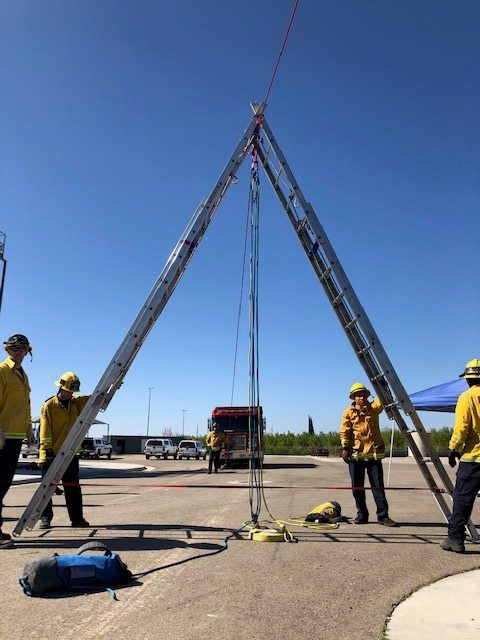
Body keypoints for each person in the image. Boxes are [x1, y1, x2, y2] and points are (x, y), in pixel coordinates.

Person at [340, 382, 399, 527]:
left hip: (373, 456)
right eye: (358, 395)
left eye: (364, 394)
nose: (362, 397)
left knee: (378, 487)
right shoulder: (348, 412)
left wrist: (383, 386)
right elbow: (344, 431)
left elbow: (383, 400)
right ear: (353, 397)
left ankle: (383, 516)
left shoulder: (373, 408)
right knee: (357, 488)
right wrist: (345, 448)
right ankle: (362, 515)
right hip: (356, 456)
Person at [38, 371, 90, 529]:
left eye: (73, 391)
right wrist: (45, 453)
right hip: (51, 453)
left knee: (73, 488)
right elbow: (44, 432)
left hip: (70, 454)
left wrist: (111, 390)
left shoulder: (76, 403)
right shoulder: (49, 406)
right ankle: (45, 518)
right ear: (61, 388)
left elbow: (95, 398)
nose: (71, 394)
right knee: (46, 489)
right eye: (68, 391)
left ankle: (77, 519)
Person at [440, 359, 480, 554]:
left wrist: (453, 448)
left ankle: (456, 539)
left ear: (467, 379)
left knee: (462, 500)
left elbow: (462, 427)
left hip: (473, 460)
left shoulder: (467, 397)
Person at [0, 334, 33, 548]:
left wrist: (29, 429)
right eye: (16, 349)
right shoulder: (2, 372)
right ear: (8, 350)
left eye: (23, 349)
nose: (19, 353)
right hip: (3, 437)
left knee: (3, 484)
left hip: (15, 436)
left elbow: (25, 405)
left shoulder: (22, 375)